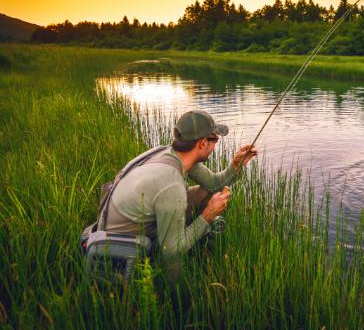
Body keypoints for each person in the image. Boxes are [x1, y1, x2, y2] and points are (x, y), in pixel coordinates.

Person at [100, 110, 257, 261]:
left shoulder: (172, 154)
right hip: (123, 245)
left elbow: (214, 184)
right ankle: (174, 283)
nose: (215, 145)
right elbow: (171, 251)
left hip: (128, 222)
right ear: (202, 143)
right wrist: (207, 215)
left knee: (206, 193)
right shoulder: (171, 184)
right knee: (174, 254)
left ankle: (187, 235)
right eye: (214, 140)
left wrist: (236, 165)